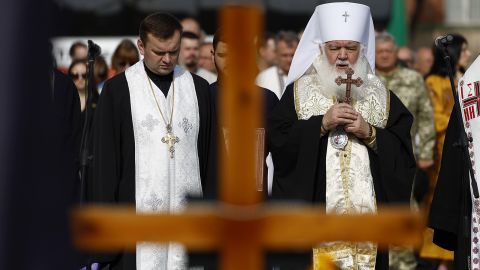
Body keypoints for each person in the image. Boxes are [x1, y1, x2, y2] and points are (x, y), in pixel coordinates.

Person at [268, 3, 416, 269]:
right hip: (314, 228)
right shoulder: (298, 94)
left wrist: (370, 133)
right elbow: (278, 144)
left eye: (351, 47)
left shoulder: (380, 94)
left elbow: (404, 154)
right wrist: (320, 125)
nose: (343, 56)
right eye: (335, 48)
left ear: (362, 49)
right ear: (321, 49)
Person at [90, 12, 217, 269]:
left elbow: (211, 161)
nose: (167, 59)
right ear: (141, 46)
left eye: (173, 51)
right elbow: (105, 167)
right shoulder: (117, 92)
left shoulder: (199, 89)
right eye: (159, 52)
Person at [375, 31, 436, 270]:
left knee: (404, 208)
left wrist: (426, 153)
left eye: (388, 51)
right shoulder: (365, 79)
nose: (385, 56)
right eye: (380, 52)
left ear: (395, 52)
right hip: (374, 154)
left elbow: (426, 115)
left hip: (405, 157)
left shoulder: (413, 78)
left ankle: (404, 263)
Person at [210, 28, 278, 193]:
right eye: (223, 55)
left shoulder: (267, 99)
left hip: (255, 196)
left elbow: (286, 151)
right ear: (212, 54)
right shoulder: (202, 97)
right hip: (212, 197)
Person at [425, 34, 472, 267]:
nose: (468, 55)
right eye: (464, 51)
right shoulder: (435, 81)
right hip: (448, 147)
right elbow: (434, 115)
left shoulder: (468, 77)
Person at [256, 30, 299, 99]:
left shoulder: (308, 76)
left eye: (292, 55)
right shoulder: (264, 78)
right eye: (284, 55)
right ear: (276, 54)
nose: (289, 60)